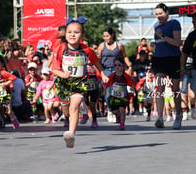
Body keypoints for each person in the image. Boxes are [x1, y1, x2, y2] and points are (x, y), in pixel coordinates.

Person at [52, 16, 108, 148]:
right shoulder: (60, 49)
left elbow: (96, 62)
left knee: (74, 106)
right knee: (66, 110)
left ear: (82, 35)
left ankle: (71, 134)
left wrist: (103, 74)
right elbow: (54, 69)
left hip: (80, 83)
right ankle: (81, 107)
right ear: (65, 34)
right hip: (64, 84)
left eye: (76, 32)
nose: (72, 35)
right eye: (69, 32)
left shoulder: (86, 50)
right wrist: (63, 74)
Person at [151, 3, 183, 129]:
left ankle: (178, 115)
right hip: (159, 59)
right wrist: (156, 42)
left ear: (167, 12)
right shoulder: (156, 26)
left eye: (161, 14)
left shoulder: (174, 23)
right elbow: (161, 42)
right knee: (160, 87)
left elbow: (177, 42)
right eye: (157, 14)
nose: (159, 16)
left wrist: (162, 36)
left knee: (175, 89)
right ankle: (160, 117)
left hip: (173, 59)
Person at [98, 27, 132, 122]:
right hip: (106, 71)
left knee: (119, 93)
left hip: (118, 71)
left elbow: (124, 56)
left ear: (112, 35)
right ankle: (110, 110)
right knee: (108, 94)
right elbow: (98, 59)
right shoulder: (101, 46)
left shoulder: (119, 46)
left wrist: (128, 64)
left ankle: (118, 112)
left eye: (107, 36)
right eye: (104, 36)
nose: (105, 38)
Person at [0, 55, 19, 132]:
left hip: (5, 94)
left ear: (2, 64)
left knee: (8, 111)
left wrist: (6, 83)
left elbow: (14, 78)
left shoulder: (4, 72)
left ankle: (14, 120)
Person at [103, 57, 136, 130]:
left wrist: (132, 88)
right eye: (115, 65)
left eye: (119, 65)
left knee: (122, 109)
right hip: (114, 96)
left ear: (124, 66)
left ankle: (122, 123)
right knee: (113, 110)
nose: (117, 67)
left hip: (123, 96)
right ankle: (117, 115)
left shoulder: (125, 76)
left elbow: (132, 83)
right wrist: (104, 90)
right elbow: (106, 83)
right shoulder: (112, 76)